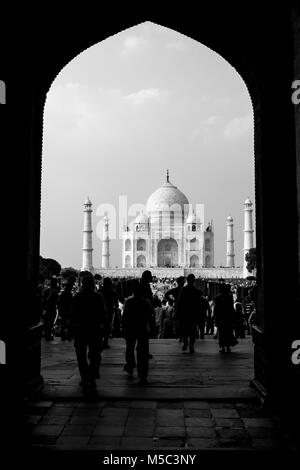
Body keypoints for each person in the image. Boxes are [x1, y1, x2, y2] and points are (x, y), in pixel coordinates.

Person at [71, 274, 106, 392]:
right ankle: (91, 376)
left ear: (82, 284)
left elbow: (73, 314)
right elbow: (103, 313)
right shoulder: (98, 297)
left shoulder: (77, 297)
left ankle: (85, 378)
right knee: (95, 355)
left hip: (81, 330)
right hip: (94, 329)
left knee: (81, 357)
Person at [122, 280, 151, 384]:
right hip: (142, 329)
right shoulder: (145, 302)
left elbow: (124, 317)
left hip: (130, 328)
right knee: (143, 352)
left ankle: (130, 365)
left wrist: (124, 329)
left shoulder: (129, 302)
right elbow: (149, 316)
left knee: (129, 348)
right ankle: (142, 374)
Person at [177, 274, 208, 353]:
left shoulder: (183, 290)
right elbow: (201, 303)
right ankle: (191, 345)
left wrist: (179, 312)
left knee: (185, 329)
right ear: (194, 281)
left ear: (187, 280)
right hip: (193, 313)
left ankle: (185, 342)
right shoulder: (197, 291)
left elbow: (179, 302)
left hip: (185, 313)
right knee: (192, 330)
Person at [214, 283, 237, 353]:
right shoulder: (230, 297)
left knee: (221, 332)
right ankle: (228, 346)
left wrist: (215, 317)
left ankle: (222, 347)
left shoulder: (217, 297)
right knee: (228, 331)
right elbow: (231, 308)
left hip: (221, 317)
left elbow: (216, 308)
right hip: (228, 317)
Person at [101, 277, 119, 349]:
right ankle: (105, 341)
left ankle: (101, 341)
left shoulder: (100, 291)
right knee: (107, 326)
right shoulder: (113, 292)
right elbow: (116, 303)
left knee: (100, 325)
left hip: (100, 311)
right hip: (109, 310)